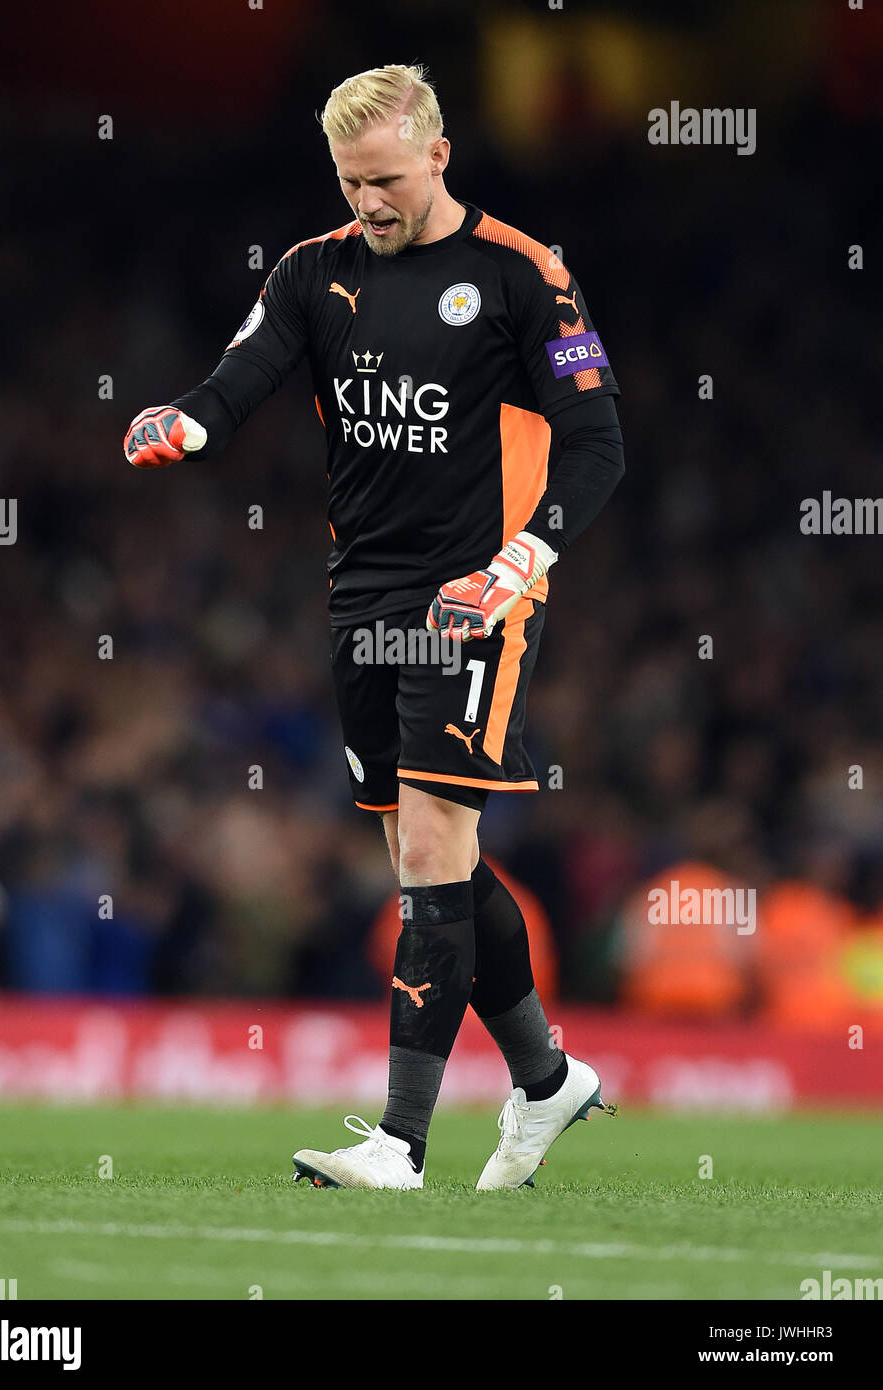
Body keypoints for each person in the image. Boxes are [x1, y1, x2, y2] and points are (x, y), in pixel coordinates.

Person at [123, 64, 624, 1189]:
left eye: (387, 180)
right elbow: (239, 375)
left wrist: (521, 557)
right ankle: (545, 1082)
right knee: (422, 856)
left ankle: (400, 1139)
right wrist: (187, 425)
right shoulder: (314, 271)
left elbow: (598, 442)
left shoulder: (521, 275)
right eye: (350, 183)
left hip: (476, 594)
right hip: (364, 596)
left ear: (439, 155)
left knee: (435, 846)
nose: (369, 204)